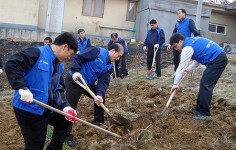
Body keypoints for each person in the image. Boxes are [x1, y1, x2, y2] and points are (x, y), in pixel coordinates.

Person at [5, 32, 79, 150]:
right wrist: (22, 87)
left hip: (46, 108)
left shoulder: (60, 66)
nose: (69, 58)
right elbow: (12, 64)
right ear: (64, 47)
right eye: (69, 54)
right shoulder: (37, 53)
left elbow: (58, 88)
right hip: (29, 109)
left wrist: (65, 107)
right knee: (35, 146)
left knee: (65, 120)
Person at [65, 43, 124, 146]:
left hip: (88, 83)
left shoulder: (109, 66)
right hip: (76, 80)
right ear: (113, 51)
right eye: (118, 55)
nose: (118, 58)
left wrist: (99, 95)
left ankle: (98, 122)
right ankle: (65, 137)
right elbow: (79, 56)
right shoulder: (97, 51)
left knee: (100, 96)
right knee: (70, 108)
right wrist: (76, 71)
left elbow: (103, 82)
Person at [169, 33, 228, 121]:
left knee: (206, 84)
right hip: (217, 58)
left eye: (175, 46)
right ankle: (199, 108)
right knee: (204, 83)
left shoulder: (187, 48)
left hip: (218, 59)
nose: (176, 49)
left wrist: (175, 84)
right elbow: (197, 60)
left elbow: (181, 68)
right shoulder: (191, 42)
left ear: (180, 41)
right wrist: (188, 70)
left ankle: (204, 113)